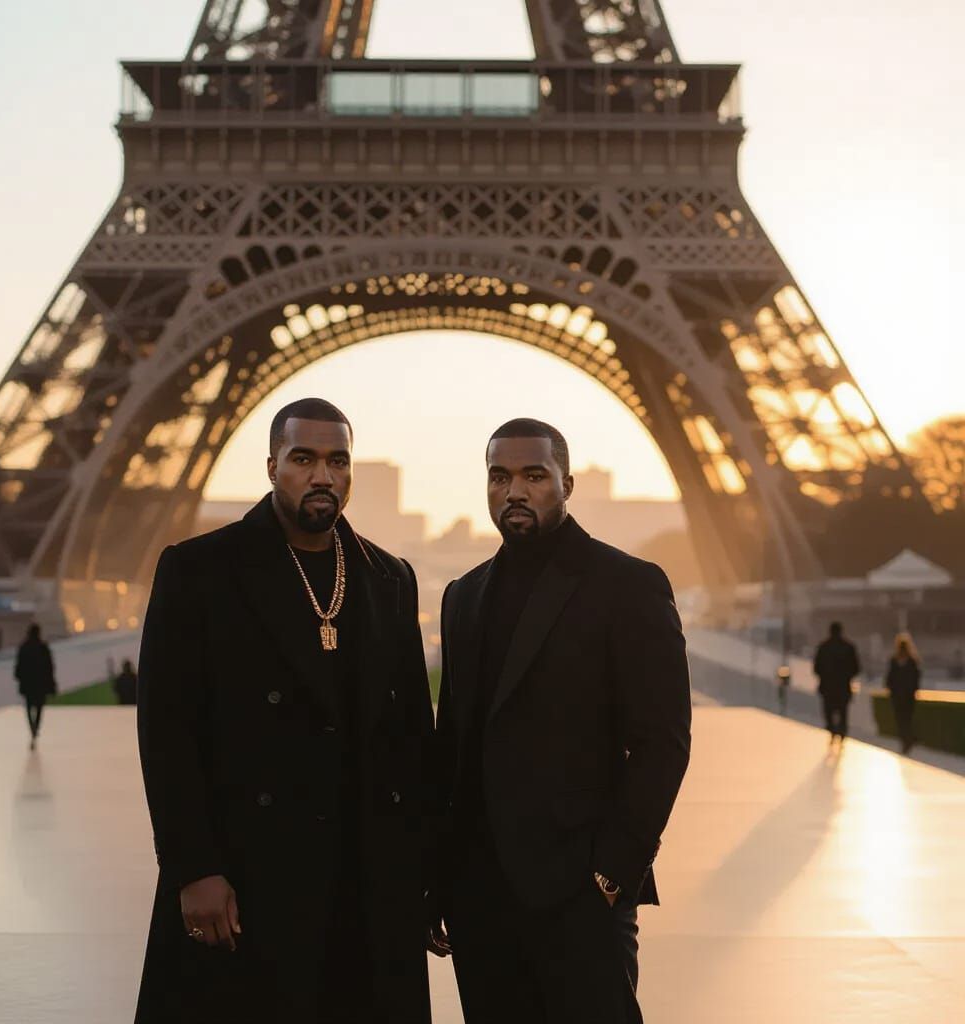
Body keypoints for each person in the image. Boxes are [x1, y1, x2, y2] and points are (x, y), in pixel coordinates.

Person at [134, 398, 436, 1024]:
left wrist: (424, 875)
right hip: (248, 874)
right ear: (272, 466)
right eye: (304, 459)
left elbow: (412, 741)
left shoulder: (390, 579)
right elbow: (167, 732)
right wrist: (195, 869)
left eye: (336, 460)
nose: (321, 476)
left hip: (365, 883)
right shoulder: (197, 570)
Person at [432, 418, 692, 1024]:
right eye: (500, 477)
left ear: (566, 483)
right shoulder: (462, 596)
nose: (514, 491)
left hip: (582, 895)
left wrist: (611, 875)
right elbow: (454, 749)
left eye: (533, 476)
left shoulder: (628, 585)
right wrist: (442, 880)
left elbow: (663, 743)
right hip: (480, 900)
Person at [812, 621, 860, 746]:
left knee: (828, 711)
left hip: (827, 687)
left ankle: (832, 730)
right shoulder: (849, 647)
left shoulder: (823, 647)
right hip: (843, 686)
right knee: (843, 711)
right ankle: (842, 732)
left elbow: (816, 668)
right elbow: (856, 668)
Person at [14, 623, 57, 750]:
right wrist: (51, 683)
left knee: (28, 707)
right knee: (39, 707)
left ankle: (32, 727)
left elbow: (19, 666)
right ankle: (36, 727)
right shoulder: (43, 648)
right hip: (40, 684)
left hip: (28, 684)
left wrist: (19, 676)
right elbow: (49, 667)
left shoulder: (24, 647)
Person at [885, 633, 922, 755]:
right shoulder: (912, 661)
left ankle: (906, 740)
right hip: (907, 696)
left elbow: (890, 678)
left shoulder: (895, 661)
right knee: (906, 718)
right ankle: (908, 740)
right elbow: (916, 678)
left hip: (899, 696)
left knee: (901, 719)